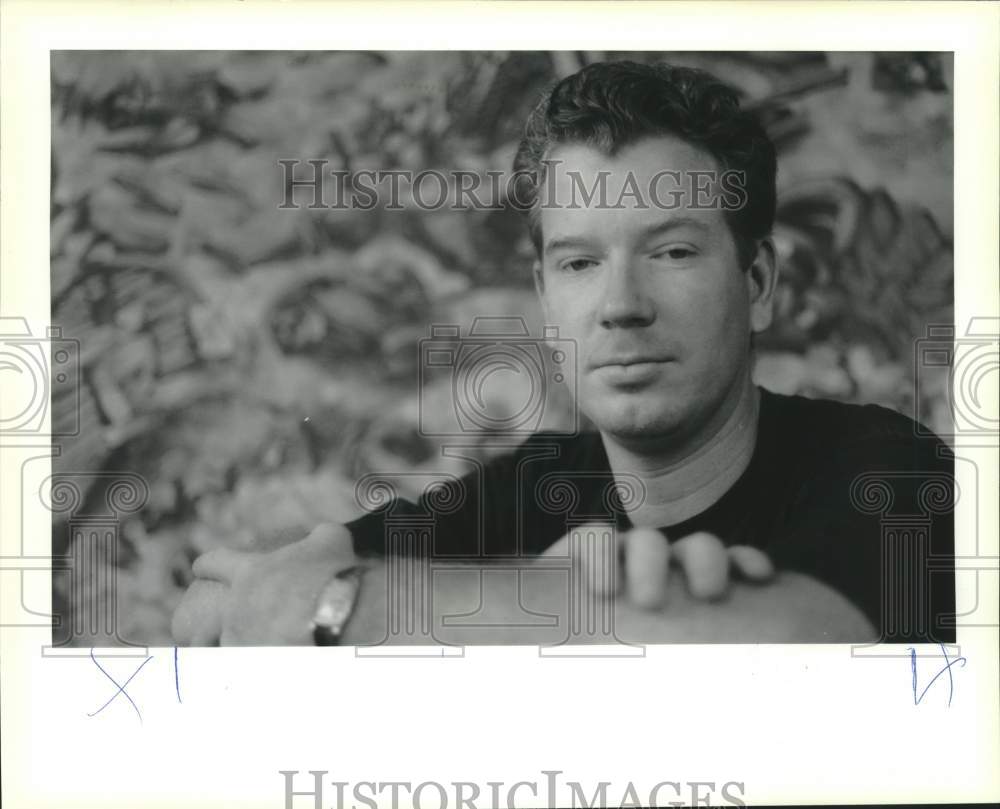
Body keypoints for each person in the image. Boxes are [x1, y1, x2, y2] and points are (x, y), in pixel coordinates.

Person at [173, 60, 954, 647]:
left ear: (758, 282)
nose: (621, 305)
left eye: (674, 252)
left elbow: (802, 644)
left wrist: (352, 609)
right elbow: (213, 604)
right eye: (582, 263)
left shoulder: (885, 462)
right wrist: (556, 604)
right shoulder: (545, 478)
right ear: (547, 298)